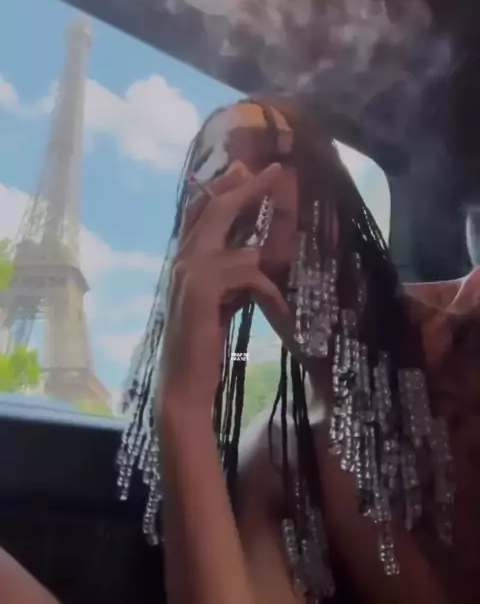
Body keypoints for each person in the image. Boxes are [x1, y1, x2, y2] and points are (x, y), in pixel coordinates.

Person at [119, 98, 453, 604]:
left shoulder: (462, 329)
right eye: (215, 168)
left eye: (273, 153)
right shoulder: (277, 460)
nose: (241, 177)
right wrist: (182, 405)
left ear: (335, 193)